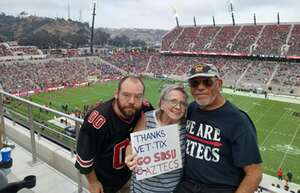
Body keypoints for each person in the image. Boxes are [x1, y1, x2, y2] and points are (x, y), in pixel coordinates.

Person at [174, 63, 262, 193]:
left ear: (219, 84)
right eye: (194, 83)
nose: (200, 87)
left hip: (220, 188)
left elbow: (254, 173)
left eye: (207, 82)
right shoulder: (191, 109)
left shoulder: (239, 121)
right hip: (187, 185)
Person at [75, 76, 153, 193]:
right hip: (105, 182)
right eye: (126, 95)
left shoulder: (144, 109)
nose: (132, 101)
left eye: (138, 96)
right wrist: (93, 182)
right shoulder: (97, 120)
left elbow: (161, 119)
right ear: (116, 94)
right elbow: (84, 158)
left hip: (129, 176)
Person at [125, 84, 188, 193]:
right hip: (140, 189)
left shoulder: (187, 126)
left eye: (183, 103)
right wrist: (129, 156)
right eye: (173, 101)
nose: (178, 107)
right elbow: (132, 145)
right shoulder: (147, 118)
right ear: (162, 104)